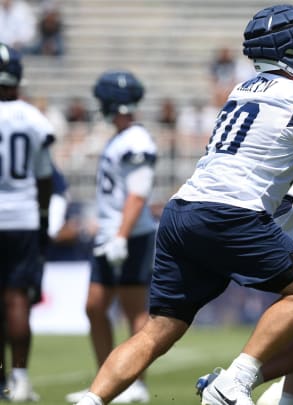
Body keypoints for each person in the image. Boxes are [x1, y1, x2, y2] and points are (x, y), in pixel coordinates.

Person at [73, 4, 293, 405]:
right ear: (292, 50)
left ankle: (93, 400)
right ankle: (234, 381)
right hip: (232, 213)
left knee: (158, 329)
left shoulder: (242, 89)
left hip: (183, 211)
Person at [65, 70, 157, 404]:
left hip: (131, 235)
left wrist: (121, 235)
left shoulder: (136, 141)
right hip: (111, 234)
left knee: (134, 310)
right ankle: (107, 379)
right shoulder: (120, 138)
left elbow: (138, 194)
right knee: (94, 307)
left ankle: (137, 384)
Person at [0, 42, 55, 402]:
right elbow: (45, 177)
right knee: (17, 298)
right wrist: (43, 216)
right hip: (21, 216)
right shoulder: (34, 118)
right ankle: (18, 379)